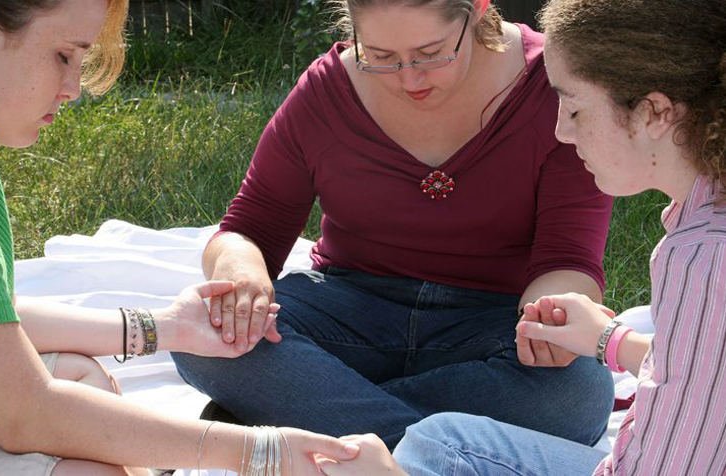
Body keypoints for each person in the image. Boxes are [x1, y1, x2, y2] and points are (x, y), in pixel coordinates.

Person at [0, 1, 363, 474]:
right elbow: (24, 414)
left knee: (81, 378)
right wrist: (261, 452)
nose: (74, 89)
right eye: (64, 56)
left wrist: (166, 326)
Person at [172, 0, 615, 450]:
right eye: (381, 57)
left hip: (493, 325)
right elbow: (249, 227)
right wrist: (241, 272)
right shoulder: (326, 92)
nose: (409, 78)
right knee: (200, 334)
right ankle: (426, 456)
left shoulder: (550, 87)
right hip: (350, 308)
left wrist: (549, 316)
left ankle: (311, 416)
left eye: (431, 52)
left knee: (577, 393)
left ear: (478, 10)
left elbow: (569, 258)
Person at [313, 0, 726, 474]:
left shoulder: (705, 257)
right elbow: (708, 371)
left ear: (653, 112)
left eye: (571, 106)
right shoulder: (702, 225)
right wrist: (609, 339)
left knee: (436, 446)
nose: (560, 131)